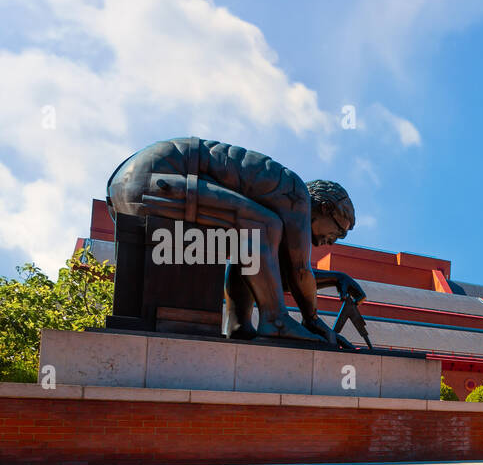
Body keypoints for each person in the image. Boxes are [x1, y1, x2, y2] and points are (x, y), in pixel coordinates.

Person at [106, 136, 363, 346]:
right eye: (338, 232)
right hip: (155, 178)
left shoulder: (278, 199)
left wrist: (336, 279)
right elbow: (298, 270)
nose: (331, 242)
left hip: (131, 185)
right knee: (262, 226)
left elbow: (274, 275)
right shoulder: (297, 195)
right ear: (326, 208)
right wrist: (312, 319)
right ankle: (275, 321)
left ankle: (240, 325)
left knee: (253, 241)